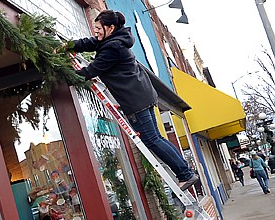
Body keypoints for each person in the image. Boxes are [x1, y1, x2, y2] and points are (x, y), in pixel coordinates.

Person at [69, 10, 199, 191]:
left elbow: (90, 71)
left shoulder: (113, 47)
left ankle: (185, 174)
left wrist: (65, 74)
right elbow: (90, 43)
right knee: (157, 138)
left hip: (135, 100)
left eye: (99, 28)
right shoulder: (115, 40)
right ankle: (185, 172)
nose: (96, 31)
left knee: (152, 140)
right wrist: (69, 46)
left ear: (110, 28)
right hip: (143, 95)